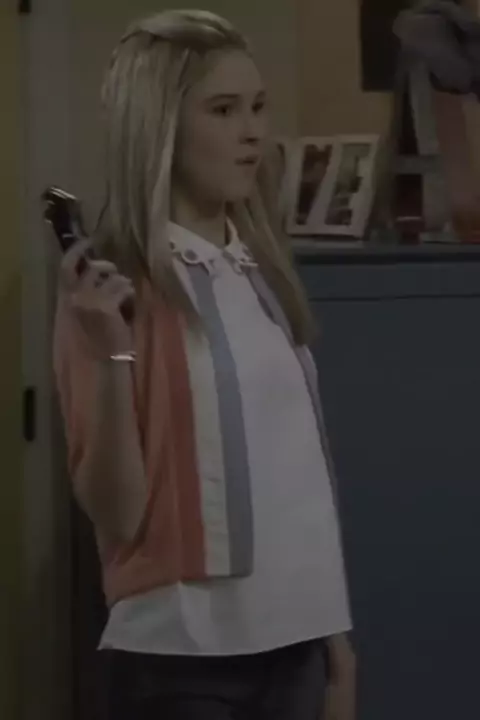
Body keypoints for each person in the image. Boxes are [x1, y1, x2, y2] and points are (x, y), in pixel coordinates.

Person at [54, 9, 355, 720]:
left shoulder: (261, 275)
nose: (252, 132)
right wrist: (111, 356)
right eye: (223, 110)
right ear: (160, 128)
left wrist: (336, 642)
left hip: (297, 647)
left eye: (258, 107)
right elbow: (117, 514)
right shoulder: (114, 288)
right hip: (179, 656)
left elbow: (298, 478)